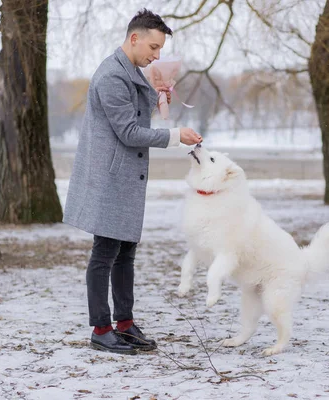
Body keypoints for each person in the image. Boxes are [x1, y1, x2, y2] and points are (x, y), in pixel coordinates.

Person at [63, 9, 202, 355]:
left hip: (124, 178)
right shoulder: (111, 75)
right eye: (153, 48)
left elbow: (132, 117)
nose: (156, 56)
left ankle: (124, 324)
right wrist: (175, 135)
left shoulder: (131, 72)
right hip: (110, 180)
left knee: (126, 252)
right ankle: (101, 328)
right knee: (105, 253)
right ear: (134, 37)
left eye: (160, 51)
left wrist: (158, 98)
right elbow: (127, 131)